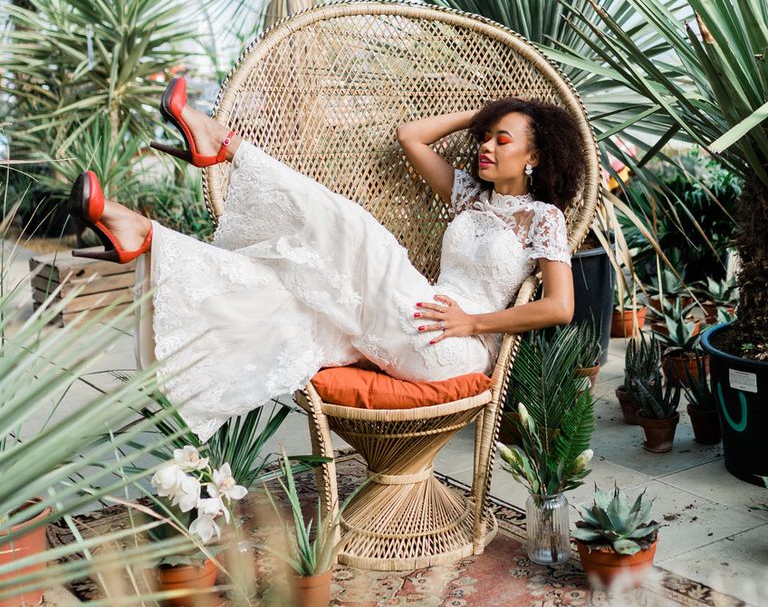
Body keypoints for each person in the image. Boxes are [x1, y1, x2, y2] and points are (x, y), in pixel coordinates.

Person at [68, 78, 583, 442]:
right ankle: (150, 237)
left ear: (534, 157)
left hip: (455, 345)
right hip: (418, 311)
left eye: (502, 140)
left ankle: (225, 147)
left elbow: (560, 306)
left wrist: (473, 322)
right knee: (289, 295)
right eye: (486, 138)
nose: (486, 146)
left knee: (363, 237)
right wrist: (491, 113)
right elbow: (411, 135)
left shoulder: (542, 219)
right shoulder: (470, 196)